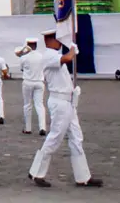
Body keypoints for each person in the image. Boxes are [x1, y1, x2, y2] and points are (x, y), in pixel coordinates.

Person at [29, 29, 102, 188]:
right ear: (49, 40)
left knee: (77, 137)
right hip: (59, 102)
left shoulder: (52, 55)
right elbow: (67, 58)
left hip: (68, 102)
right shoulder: (48, 55)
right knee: (55, 137)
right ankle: (37, 172)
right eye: (57, 39)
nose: (59, 42)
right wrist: (73, 50)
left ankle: (83, 177)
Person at [16, 37, 47, 135]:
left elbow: (21, 69)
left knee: (27, 105)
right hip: (39, 82)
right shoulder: (42, 56)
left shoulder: (24, 57)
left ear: (27, 45)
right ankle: (42, 127)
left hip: (28, 82)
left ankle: (28, 128)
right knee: (40, 105)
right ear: (36, 45)